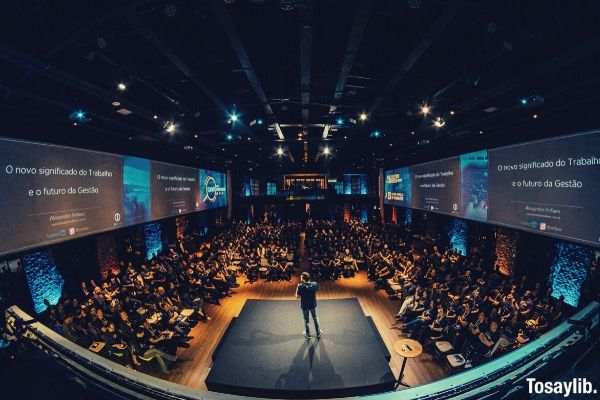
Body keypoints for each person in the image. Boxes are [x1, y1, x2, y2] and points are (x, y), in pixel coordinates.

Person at [295, 272, 321, 339]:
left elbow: (297, 297)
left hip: (305, 305)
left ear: (303, 279)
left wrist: (297, 288)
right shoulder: (314, 284)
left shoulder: (300, 286)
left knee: (306, 320)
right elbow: (317, 289)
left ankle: (308, 334)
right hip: (312, 304)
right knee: (315, 317)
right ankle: (318, 333)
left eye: (301, 277)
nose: (300, 278)